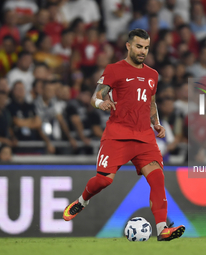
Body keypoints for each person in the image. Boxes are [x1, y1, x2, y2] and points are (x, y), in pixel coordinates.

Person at [62, 29, 185, 241]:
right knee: (104, 181)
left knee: (157, 179)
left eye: (146, 48)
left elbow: (151, 101)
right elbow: (96, 96)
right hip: (117, 134)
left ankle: (162, 230)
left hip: (144, 136)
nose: (143, 51)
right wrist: (102, 103)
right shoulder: (114, 69)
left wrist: (156, 123)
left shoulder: (153, 74)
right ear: (128, 46)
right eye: (139, 46)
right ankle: (81, 201)